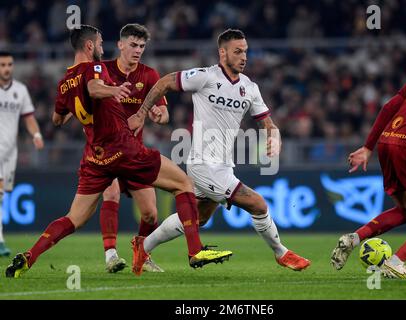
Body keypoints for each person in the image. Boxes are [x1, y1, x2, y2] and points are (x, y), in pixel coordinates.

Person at [5, 25, 232, 278]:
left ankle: (29, 256)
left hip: (96, 158)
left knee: (75, 218)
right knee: (184, 183)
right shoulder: (97, 67)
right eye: (101, 43)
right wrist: (113, 90)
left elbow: (58, 120)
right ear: (91, 46)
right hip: (126, 150)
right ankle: (193, 251)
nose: (103, 47)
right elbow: (93, 87)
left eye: (141, 46)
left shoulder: (63, 83)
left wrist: (152, 113)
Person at [128, 29, 310, 273]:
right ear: (222, 53)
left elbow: (268, 123)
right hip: (203, 163)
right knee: (258, 204)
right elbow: (164, 83)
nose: (243, 56)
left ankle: (143, 247)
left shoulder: (250, 88)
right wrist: (141, 113)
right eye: (237, 51)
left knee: (199, 218)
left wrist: (274, 137)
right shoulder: (205, 77)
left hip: (224, 164)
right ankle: (281, 253)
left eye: (245, 51)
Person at [331, 65, 406, 279]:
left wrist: (368, 147)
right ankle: (396, 262)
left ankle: (354, 238)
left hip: (388, 140)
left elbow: (389, 107)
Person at [99, 23, 168, 273]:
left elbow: (164, 113)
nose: (138, 50)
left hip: (135, 152)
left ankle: (142, 254)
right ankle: (111, 255)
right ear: (120, 45)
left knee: (150, 213)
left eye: (141, 46)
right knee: (111, 194)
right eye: (133, 45)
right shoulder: (102, 71)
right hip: (106, 150)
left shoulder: (149, 75)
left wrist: (159, 113)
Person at [0, 51, 44, 257]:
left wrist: (35, 134)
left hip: (10, 151)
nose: (6, 68)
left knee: (1, 195)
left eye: (9, 64)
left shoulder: (20, 90)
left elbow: (28, 117)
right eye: (2, 65)